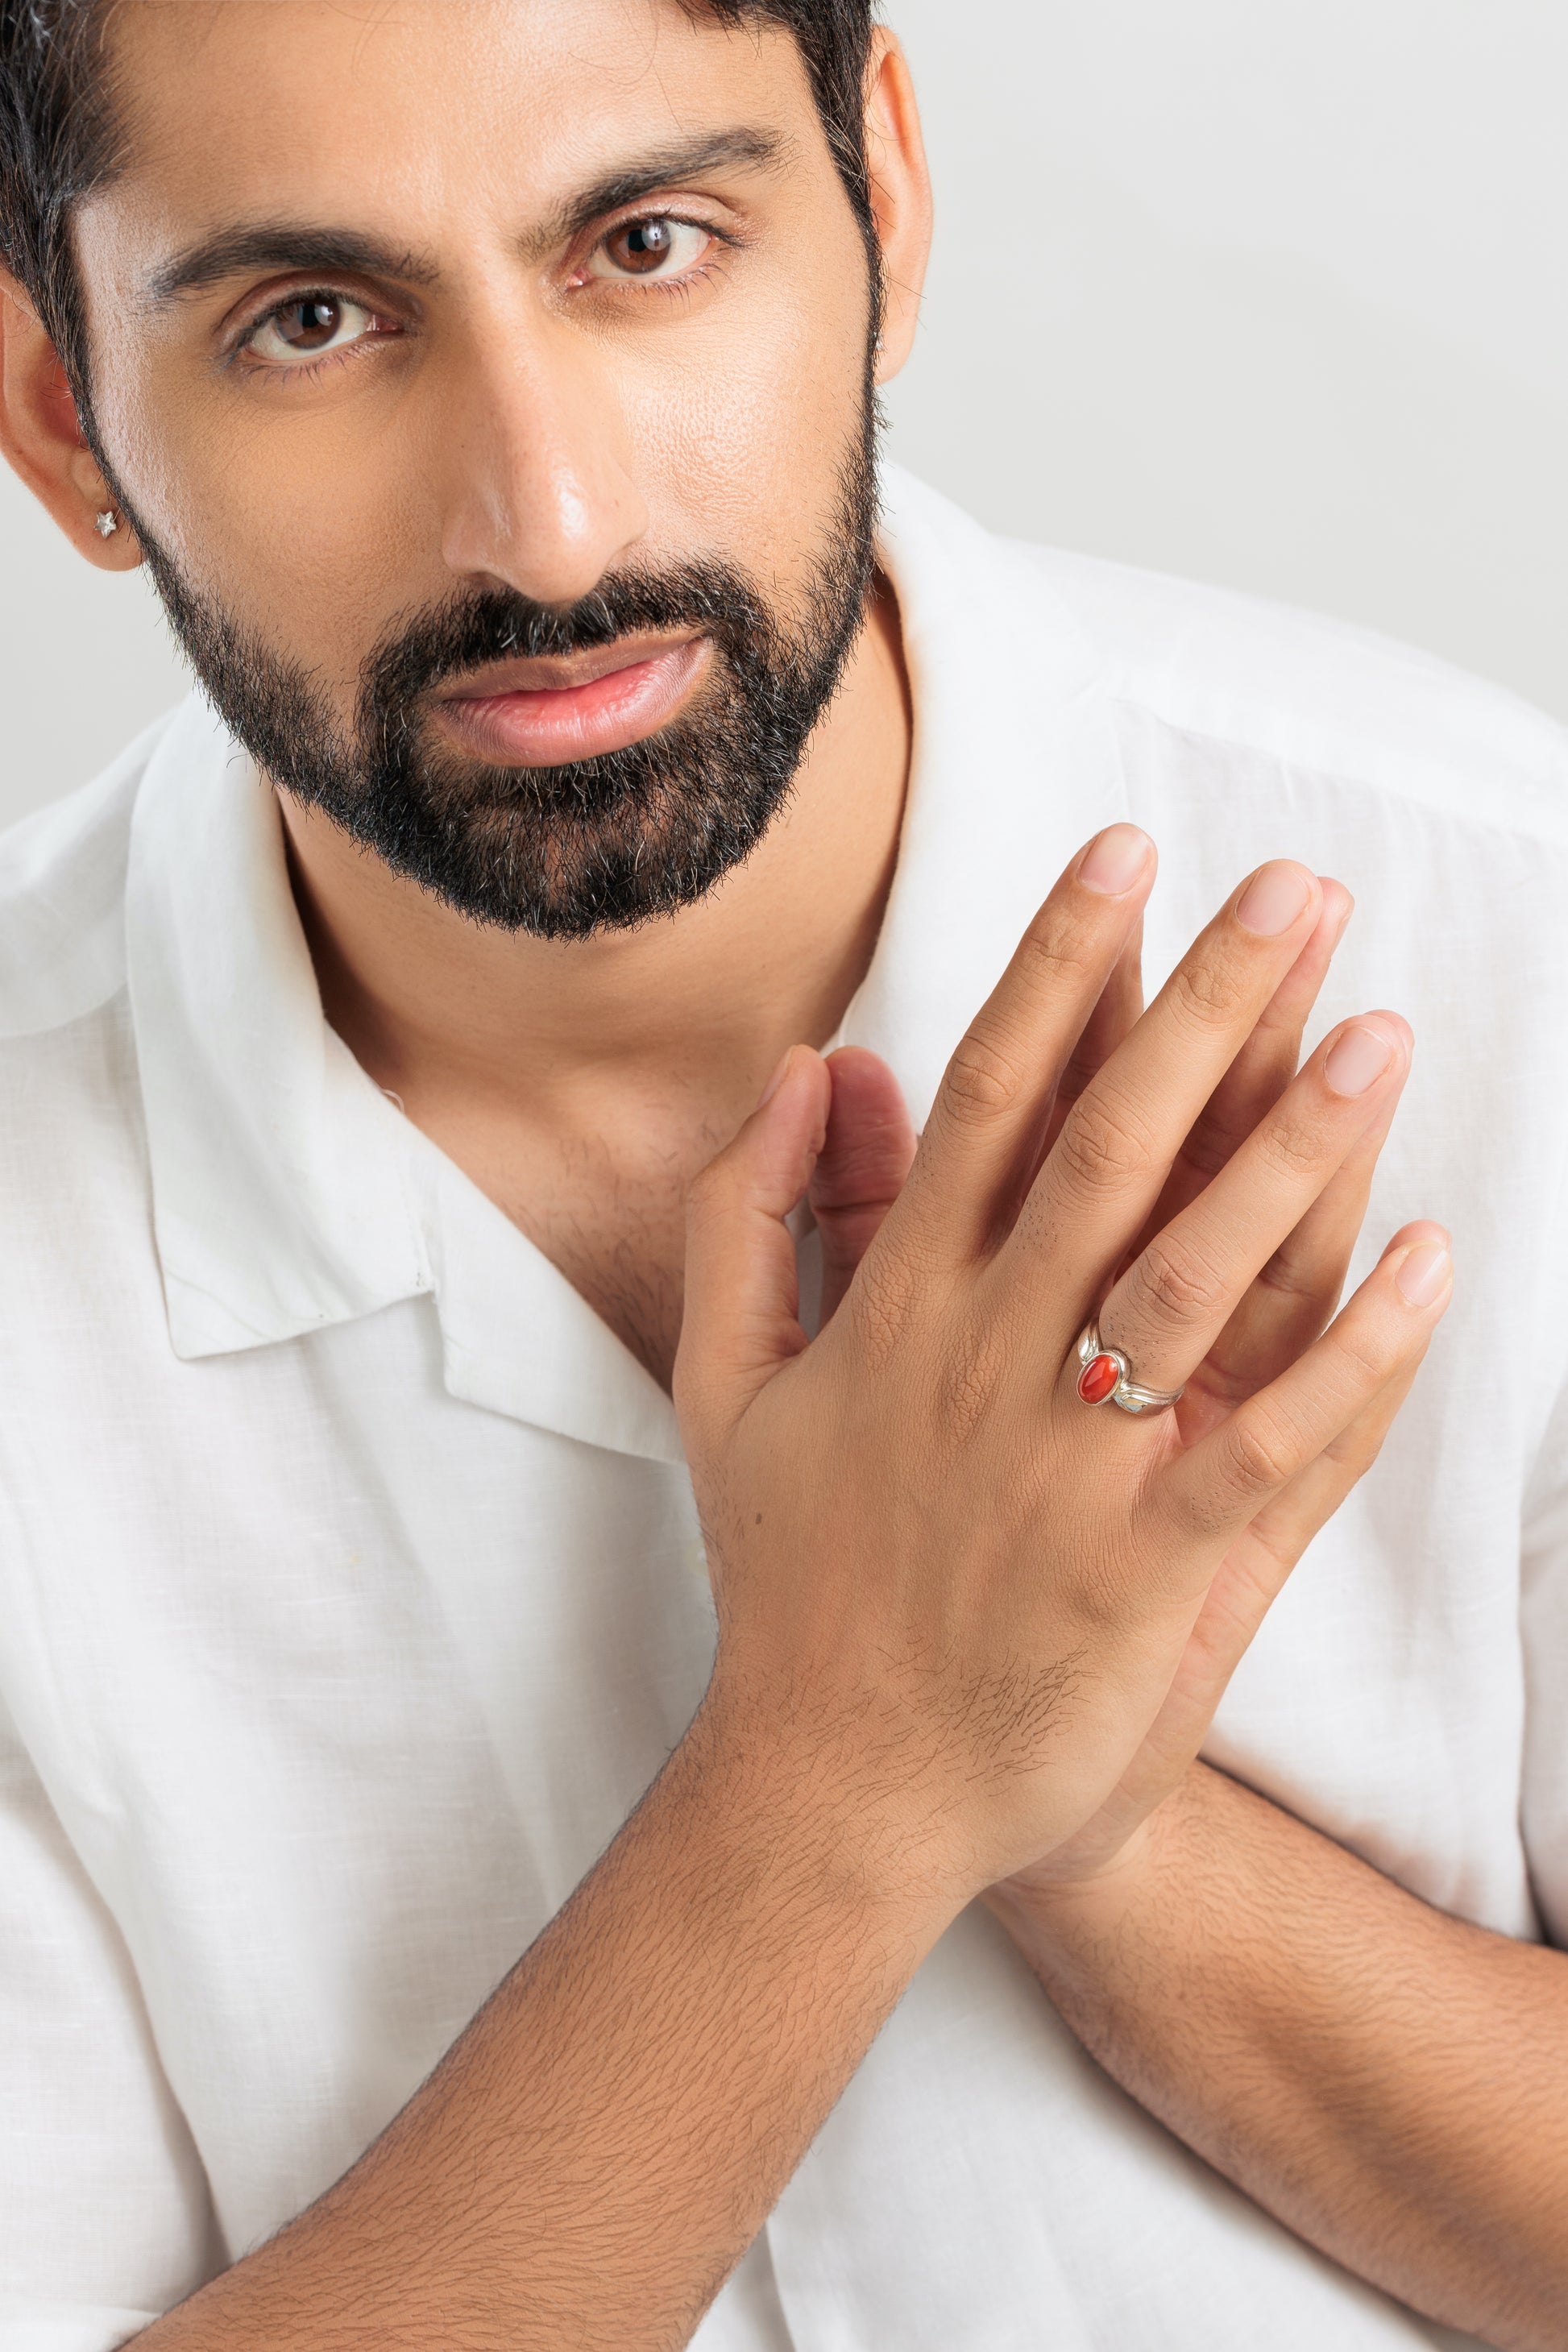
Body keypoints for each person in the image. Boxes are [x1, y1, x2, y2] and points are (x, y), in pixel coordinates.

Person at [0, 3, 1563, 2346]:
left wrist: (1077, 1797)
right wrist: (846, 1777)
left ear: (882, 201)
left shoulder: (1507, 936)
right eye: (310, 321)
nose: (544, 523)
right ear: (61, 415)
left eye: (646, 242)